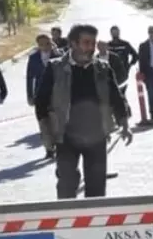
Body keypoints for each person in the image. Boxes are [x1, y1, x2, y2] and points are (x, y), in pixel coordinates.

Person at [36, 24, 132, 199]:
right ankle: (66, 221)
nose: (91, 48)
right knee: (67, 184)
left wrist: (125, 124)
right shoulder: (55, 68)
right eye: (86, 42)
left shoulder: (102, 69)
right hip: (66, 137)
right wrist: (47, 135)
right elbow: (41, 103)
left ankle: (94, 223)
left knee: (96, 187)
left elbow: (117, 98)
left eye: (93, 43)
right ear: (73, 43)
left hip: (97, 136)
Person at [27, 34, 59, 159]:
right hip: (40, 96)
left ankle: (58, 145)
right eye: (42, 44)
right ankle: (49, 148)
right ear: (38, 45)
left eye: (47, 43)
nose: (45, 46)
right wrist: (30, 96)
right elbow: (30, 78)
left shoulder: (58, 56)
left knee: (56, 123)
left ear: (51, 43)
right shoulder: (34, 58)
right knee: (43, 123)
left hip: (56, 95)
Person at [107, 25, 136, 107]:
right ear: (111, 34)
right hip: (111, 74)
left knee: (121, 92)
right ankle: (120, 110)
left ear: (119, 33)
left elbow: (135, 56)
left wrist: (129, 65)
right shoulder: (108, 45)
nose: (114, 34)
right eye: (113, 32)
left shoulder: (125, 44)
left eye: (116, 32)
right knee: (114, 93)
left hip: (123, 73)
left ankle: (125, 109)